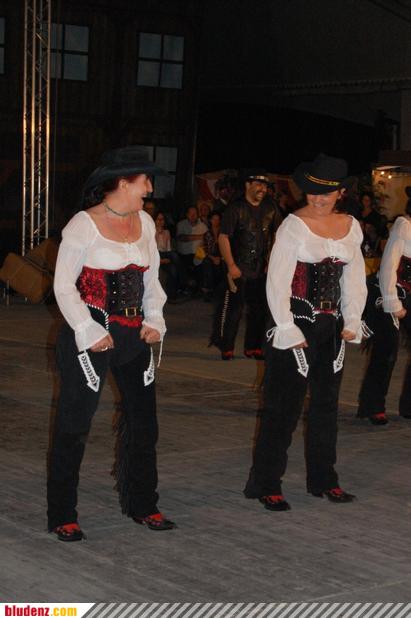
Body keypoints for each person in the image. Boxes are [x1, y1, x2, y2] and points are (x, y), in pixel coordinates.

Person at [47, 146, 176, 541]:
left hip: (135, 335)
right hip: (91, 334)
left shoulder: (146, 222)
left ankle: (143, 504)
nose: (149, 188)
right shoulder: (83, 225)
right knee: (74, 425)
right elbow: (63, 286)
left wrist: (154, 318)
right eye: (144, 181)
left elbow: (151, 279)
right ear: (123, 182)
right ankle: (62, 513)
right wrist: (87, 329)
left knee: (144, 423)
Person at [244, 154, 367, 511]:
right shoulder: (293, 226)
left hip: (331, 325)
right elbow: (277, 280)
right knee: (283, 406)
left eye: (325, 193)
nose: (317, 199)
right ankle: (266, 482)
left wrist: (352, 318)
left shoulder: (351, 226)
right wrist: (286, 326)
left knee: (326, 405)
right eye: (312, 191)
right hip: (296, 321)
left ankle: (324, 479)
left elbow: (354, 276)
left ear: (340, 193)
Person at [210, 169, 281, 360]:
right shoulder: (235, 208)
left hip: (260, 267)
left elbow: (278, 234)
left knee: (259, 309)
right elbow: (223, 237)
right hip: (237, 266)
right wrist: (231, 265)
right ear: (248, 185)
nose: (262, 189)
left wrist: (271, 259)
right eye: (258, 184)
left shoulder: (271, 208)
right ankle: (226, 346)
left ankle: (253, 346)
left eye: (265, 185)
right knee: (234, 309)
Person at [357, 188, 411, 425]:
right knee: (387, 350)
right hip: (391, 291)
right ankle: (373, 405)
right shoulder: (404, 226)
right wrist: (392, 301)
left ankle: (408, 405)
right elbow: (389, 264)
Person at [154, 210, 185, 301]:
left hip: (166, 254)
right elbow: (152, 249)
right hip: (156, 255)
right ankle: (184, 279)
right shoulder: (151, 231)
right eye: (158, 219)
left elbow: (168, 248)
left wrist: (168, 259)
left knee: (173, 268)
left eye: (162, 219)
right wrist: (157, 232)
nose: (160, 221)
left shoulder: (167, 232)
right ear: (155, 220)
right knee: (174, 256)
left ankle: (171, 295)